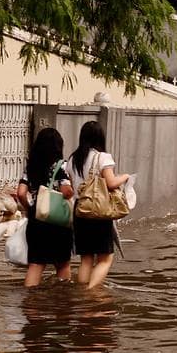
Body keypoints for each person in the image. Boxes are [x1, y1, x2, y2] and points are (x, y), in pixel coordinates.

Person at [66, 121, 130, 289]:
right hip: (98, 211)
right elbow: (110, 183)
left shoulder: (73, 159)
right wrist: (125, 177)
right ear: (99, 137)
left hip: (80, 210)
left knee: (86, 259)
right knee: (105, 258)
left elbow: (73, 187)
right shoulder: (102, 157)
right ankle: (90, 292)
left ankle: (81, 292)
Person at [16, 128, 74, 287]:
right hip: (57, 220)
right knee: (62, 264)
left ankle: (30, 304)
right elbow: (66, 192)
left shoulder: (31, 167)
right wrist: (72, 190)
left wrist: (29, 209)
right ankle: (61, 301)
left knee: (36, 264)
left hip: (37, 217)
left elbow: (21, 193)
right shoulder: (62, 166)